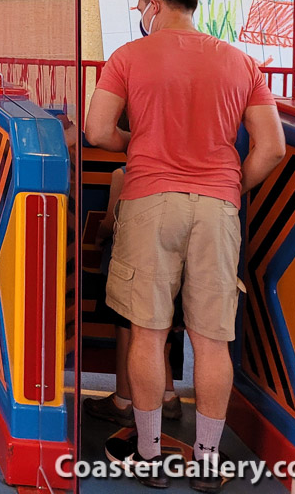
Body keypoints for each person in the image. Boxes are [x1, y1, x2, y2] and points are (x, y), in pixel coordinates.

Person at [85, 0, 285, 491]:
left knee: (148, 332)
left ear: (154, 4)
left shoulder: (129, 57)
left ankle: (149, 454)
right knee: (212, 340)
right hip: (218, 206)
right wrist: (228, 187)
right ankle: (208, 460)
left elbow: (98, 130)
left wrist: (144, 139)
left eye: (140, 8)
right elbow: (272, 147)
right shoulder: (241, 61)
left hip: (150, 199)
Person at [83, 165, 183, 426]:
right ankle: (168, 396)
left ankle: (124, 400)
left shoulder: (124, 174)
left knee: (128, 328)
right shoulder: (181, 173)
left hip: (132, 259)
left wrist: (97, 237)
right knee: (161, 328)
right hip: (171, 263)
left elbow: (112, 220)